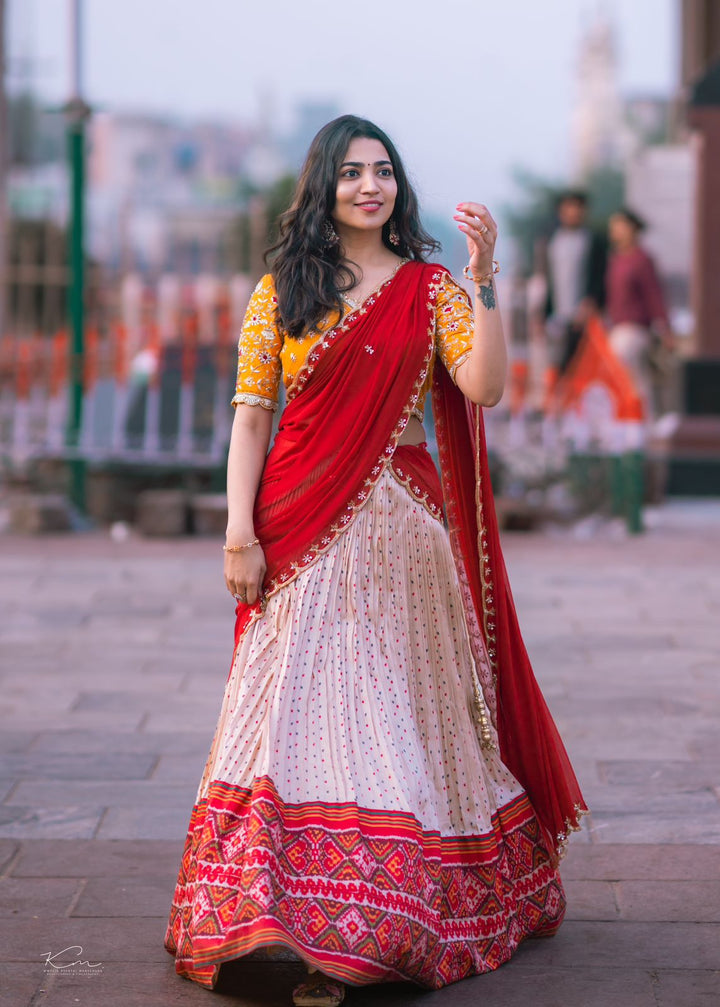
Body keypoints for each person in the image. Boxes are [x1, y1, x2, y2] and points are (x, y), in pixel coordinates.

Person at [164, 115, 587, 1007]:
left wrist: (487, 284)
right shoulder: (283, 290)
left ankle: (380, 916)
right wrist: (239, 531)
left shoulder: (432, 289)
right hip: (297, 530)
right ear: (324, 186)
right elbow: (251, 417)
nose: (370, 186)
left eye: (383, 171)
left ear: (399, 187)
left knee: (391, 721)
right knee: (283, 717)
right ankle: (273, 906)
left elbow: (485, 388)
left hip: (401, 543)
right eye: (352, 172)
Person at [606, 207, 674, 422]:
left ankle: (642, 423)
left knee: (632, 378)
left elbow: (654, 295)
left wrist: (665, 328)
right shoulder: (615, 259)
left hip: (634, 328)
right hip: (616, 326)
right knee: (631, 380)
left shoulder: (642, 259)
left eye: (619, 226)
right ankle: (633, 423)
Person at [543, 189, 607, 381]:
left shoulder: (594, 240)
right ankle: (557, 405)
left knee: (580, 365)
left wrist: (591, 303)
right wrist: (544, 312)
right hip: (558, 314)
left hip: (582, 314)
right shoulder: (553, 240)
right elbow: (550, 280)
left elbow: (600, 275)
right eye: (568, 208)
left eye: (577, 208)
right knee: (555, 364)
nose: (573, 212)